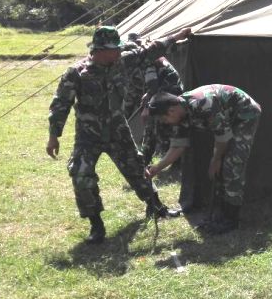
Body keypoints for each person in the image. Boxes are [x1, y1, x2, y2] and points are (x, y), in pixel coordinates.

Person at [47, 26, 191, 244]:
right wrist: (53, 135)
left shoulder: (122, 61)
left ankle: (156, 207)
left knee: (136, 168)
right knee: (81, 175)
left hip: (117, 130)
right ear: (100, 50)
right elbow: (61, 103)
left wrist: (178, 36)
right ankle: (96, 225)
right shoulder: (76, 73)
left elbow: (151, 49)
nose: (118, 53)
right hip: (88, 135)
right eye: (114, 49)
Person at [144, 85, 262, 234]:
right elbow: (178, 146)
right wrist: (157, 167)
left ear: (172, 110)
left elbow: (223, 138)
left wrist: (216, 159)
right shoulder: (179, 115)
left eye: (163, 118)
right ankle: (222, 212)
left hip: (245, 114)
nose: (164, 122)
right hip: (226, 120)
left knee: (232, 164)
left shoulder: (203, 104)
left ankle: (231, 220)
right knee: (221, 167)